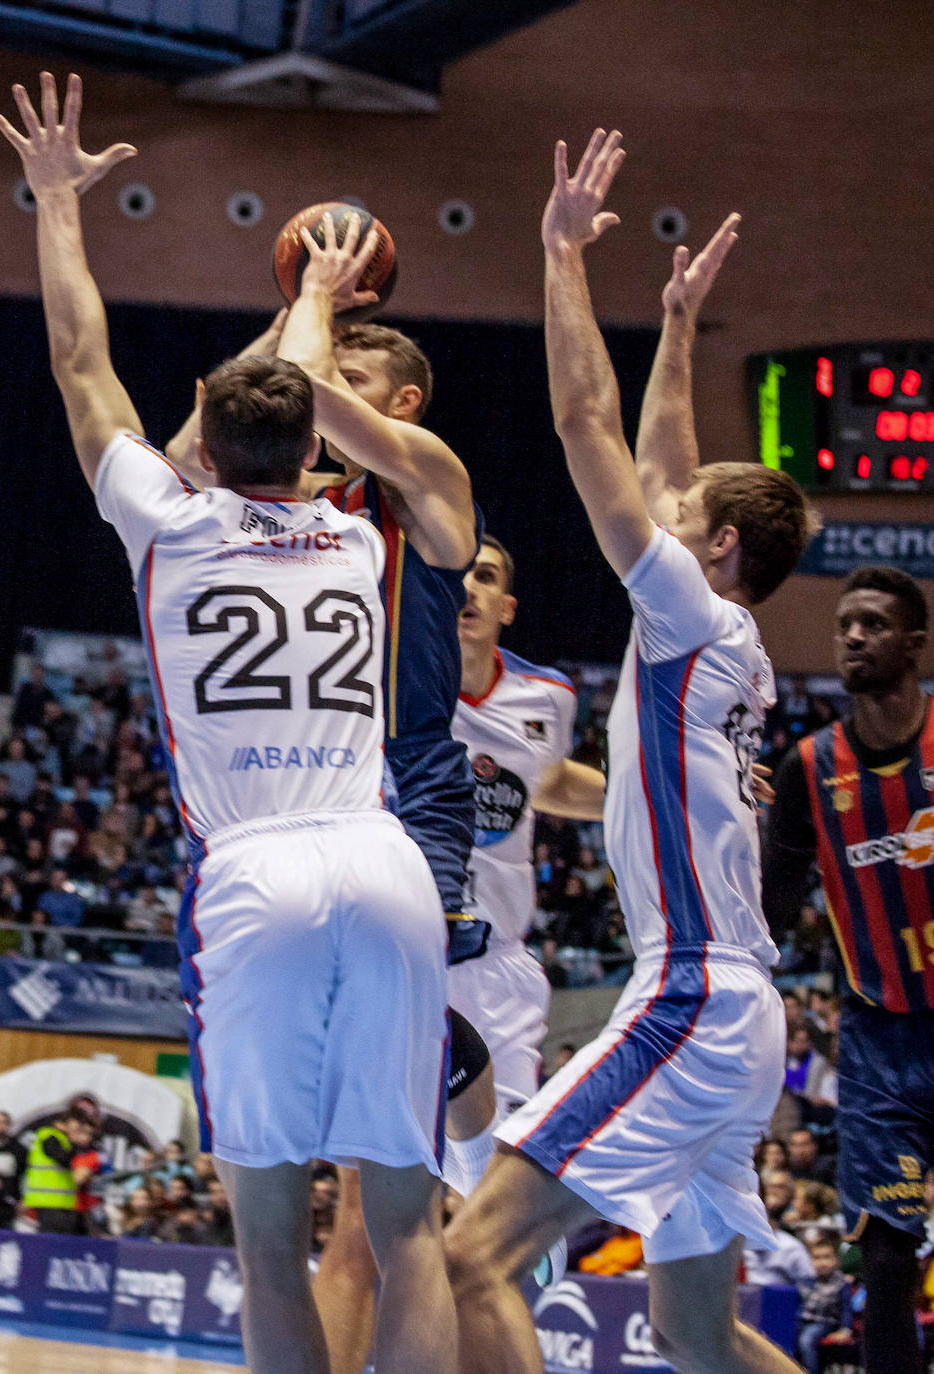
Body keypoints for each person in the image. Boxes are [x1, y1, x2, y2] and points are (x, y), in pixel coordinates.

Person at [0, 72, 455, 1374]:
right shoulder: (354, 534)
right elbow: (282, 393)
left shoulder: (167, 522)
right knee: (403, 1229)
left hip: (255, 871)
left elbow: (80, 360)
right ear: (317, 447)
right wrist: (319, 291)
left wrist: (57, 204)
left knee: (266, 1241)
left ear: (198, 425)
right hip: (383, 860)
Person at [444, 127, 813, 1374]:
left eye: (685, 517)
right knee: (692, 1335)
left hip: (691, 996)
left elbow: (583, 421)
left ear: (715, 550)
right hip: (741, 1007)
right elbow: (665, 461)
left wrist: (561, 255)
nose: (664, 509)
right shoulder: (730, 637)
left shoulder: (691, 618)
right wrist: (675, 324)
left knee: (472, 1258)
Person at [166, 210, 495, 1372]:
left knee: (383, 1202)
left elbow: (294, 393)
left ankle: (478, 1113)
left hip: (400, 796)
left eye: (347, 378)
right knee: (348, 1208)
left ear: (396, 404)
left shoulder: (423, 481)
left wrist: (310, 302)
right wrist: (292, 318)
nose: (315, 386)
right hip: (290, 810)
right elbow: (198, 449)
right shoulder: (281, 504)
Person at [763, 563, 934, 1374]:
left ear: (914, 643)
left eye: (873, 624)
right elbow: (770, 906)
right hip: (876, 1047)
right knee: (886, 1262)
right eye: (844, 626)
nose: (854, 637)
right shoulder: (808, 766)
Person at [448, 533, 604, 1205]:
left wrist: (665, 796)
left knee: (503, 1177)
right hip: (402, 950)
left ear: (507, 607)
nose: (468, 587)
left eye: (485, 576)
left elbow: (550, 783)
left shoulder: (547, 695)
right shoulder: (390, 680)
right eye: (457, 572)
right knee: (391, 1178)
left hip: (496, 964)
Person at [21, 1105, 95, 1234]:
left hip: (63, 1202)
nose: (79, 1129)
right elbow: (62, 1159)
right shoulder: (48, 1136)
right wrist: (75, 1143)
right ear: (65, 1123)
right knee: (52, 1239)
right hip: (47, 1201)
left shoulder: (64, 1140)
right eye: (77, 1125)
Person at [797, 1237, 854, 1373]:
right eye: (817, 1258)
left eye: (827, 1257)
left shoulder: (841, 1283)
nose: (822, 1262)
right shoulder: (806, 1280)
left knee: (806, 1340)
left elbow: (846, 1308)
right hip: (801, 1321)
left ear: (835, 1260)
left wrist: (845, 1329)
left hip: (824, 1322)